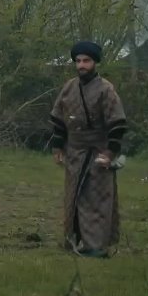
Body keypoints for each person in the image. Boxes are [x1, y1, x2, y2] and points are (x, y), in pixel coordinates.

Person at [48, 41, 128, 258]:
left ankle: (97, 246)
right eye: (78, 61)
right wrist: (57, 146)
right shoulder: (69, 87)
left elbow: (117, 124)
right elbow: (58, 119)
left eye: (86, 61)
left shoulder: (106, 89)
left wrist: (110, 153)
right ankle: (75, 239)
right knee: (73, 198)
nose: (81, 65)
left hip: (98, 151)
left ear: (95, 63)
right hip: (74, 151)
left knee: (98, 199)